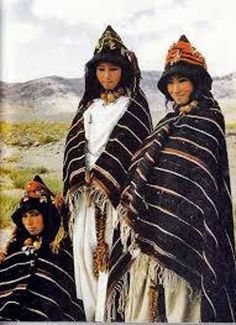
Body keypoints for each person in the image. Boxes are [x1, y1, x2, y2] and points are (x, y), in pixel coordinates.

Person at [106, 35, 236, 322]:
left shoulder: (209, 121)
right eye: (171, 83)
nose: (176, 89)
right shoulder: (166, 123)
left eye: (183, 81)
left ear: (197, 82)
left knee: (180, 310)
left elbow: (201, 185)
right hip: (150, 228)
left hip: (187, 235)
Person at [63, 25, 152, 321]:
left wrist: (104, 177)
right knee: (84, 255)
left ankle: (109, 316)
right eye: (101, 69)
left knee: (111, 259)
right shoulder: (88, 107)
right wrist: (81, 176)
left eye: (113, 69)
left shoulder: (135, 107)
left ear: (123, 71)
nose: (107, 76)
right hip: (86, 198)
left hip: (116, 199)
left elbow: (135, 152)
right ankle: (91, 316)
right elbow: (75, 148)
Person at [0, 176, 85, 321]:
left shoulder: (61, 246)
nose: (29, 222)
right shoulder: (15, 245)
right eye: (24, 216)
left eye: (34, 215)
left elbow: (60, 290)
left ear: (46, 215)